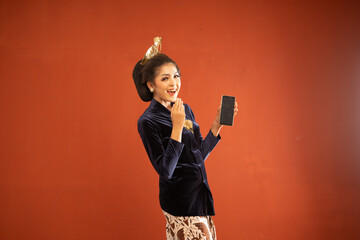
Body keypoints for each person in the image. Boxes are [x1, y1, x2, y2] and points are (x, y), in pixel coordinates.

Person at [132, 37, 238, 240]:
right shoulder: (147, 121)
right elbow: (165, 170)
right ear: (151, 85)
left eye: (176, 76)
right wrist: (177, 127)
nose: (174, 83)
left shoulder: (184, 109)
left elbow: (196, 156)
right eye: (165, 78)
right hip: (180, 203)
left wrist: (216, 126)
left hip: (200, 197)